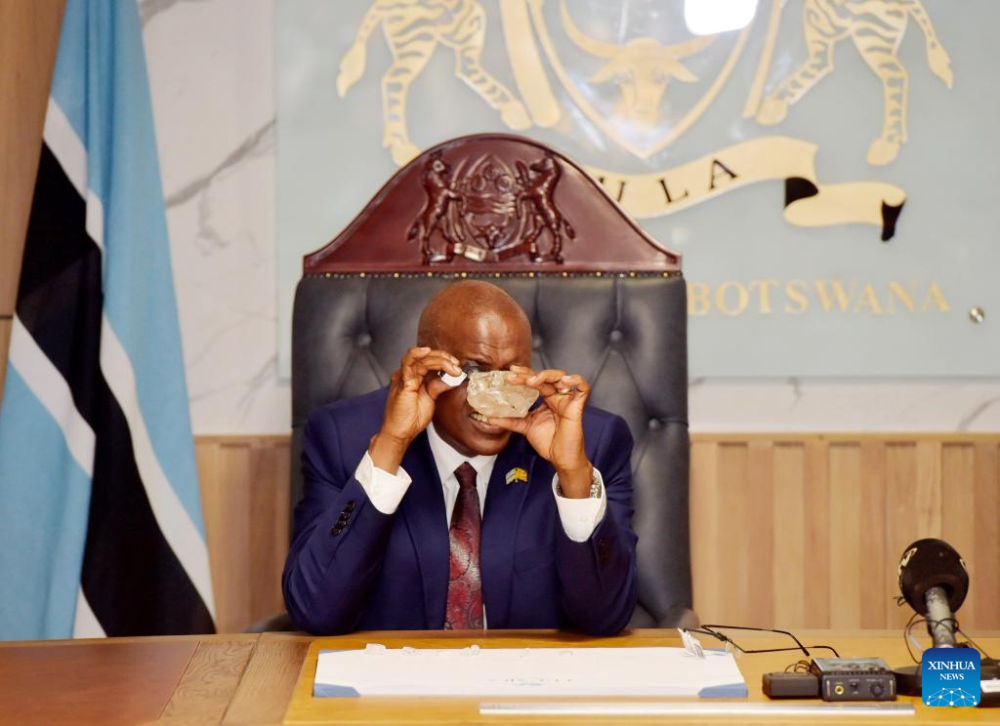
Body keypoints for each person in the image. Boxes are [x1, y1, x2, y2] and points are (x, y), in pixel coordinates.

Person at [283, 281, 637, 634]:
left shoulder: (589, 441)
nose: (494, 396)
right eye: (475, 371)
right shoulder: (342, 437)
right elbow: (316, 610)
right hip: (397, 682)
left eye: (512, 374)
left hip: (529, 681)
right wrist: (391, 446)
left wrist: (573, 474)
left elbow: (604, 620)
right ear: (428, 367)